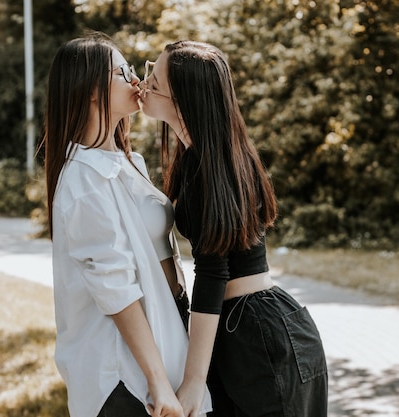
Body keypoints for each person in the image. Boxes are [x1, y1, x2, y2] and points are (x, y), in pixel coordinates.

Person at [140, 40, 328, 417]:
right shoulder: (214, 155)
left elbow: (212, 272)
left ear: (183, 99)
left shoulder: (210, 167)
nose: (143, 83)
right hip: (264, 326)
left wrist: (194, 381)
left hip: (256, 336)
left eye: (154, 79)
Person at [41, 35, 212, 417]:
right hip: (123, 373)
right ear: (90, 90)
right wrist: (158, 383)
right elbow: (116, 290)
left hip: (164, 338)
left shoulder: (127, 163)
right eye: (123, 71)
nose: (136, 81)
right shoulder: (84, 180)